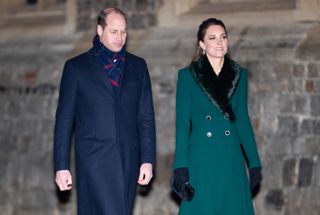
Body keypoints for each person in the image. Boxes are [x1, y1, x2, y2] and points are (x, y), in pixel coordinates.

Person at [53, 7, 156, 215]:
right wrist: (61, 165)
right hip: (94, 160)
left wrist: (147, 160)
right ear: (100, 30)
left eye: (124, 32)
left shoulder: (138, 66)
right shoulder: (76, 67)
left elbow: (145, 117)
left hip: (128, 159)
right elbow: (64, 120)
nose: (120, 38)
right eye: (114, 31)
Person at [171, 18, 262, 214]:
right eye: (213, 38)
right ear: (202, 45)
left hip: (231, 157)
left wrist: (254, 161)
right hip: (202, 157)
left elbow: (242, 120)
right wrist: (181, 165)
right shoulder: (188, 76)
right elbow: (182, 123)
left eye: (223, 37)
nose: (220, 42)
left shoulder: (240, 74)